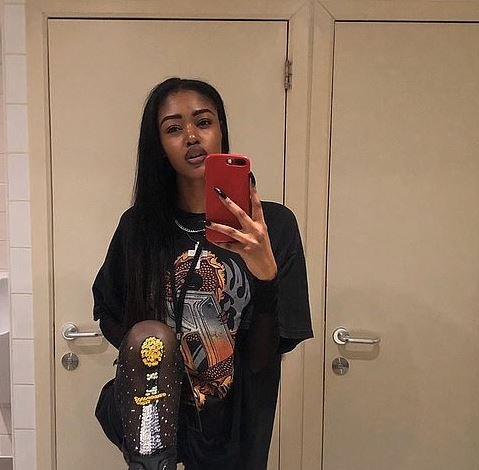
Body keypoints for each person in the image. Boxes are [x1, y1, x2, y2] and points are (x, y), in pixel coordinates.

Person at [92, 77, 313, 470]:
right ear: (159, 145)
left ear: (221, 130)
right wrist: (152, 362)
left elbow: (263, 360)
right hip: (156, 426)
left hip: (234, 429)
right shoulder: (139, 227)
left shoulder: (272, 227)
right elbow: (109, 311)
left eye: (203, 122)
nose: (192, 136)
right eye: (174, 128)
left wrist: (265, 279)